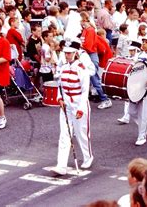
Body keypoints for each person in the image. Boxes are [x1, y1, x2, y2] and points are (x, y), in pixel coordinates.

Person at [50, 40, 94, 175]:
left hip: (79, 104)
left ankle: (88, 157)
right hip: (66, 105)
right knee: (64, 134)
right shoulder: (62, 68)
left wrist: (80, 109)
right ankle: (61, 165)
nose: (67, 55)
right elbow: (60, 86)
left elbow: (85, 91)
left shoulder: (82, 69)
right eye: (66, 53)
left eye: (70, 53)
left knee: (81, 134)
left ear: (75, 53)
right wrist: (59, 98)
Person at [80, 11, 112, 108]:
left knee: (95, 79)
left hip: (90, 56)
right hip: (88, 55)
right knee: (91, 79)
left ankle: (105, 99)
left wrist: (80, 45)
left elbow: (89, 46)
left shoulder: (89, 30)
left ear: (83, 20)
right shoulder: (87, 30)